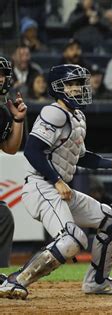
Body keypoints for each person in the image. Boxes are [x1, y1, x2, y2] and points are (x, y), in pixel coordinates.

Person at [0, 64, 112, 299]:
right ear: (58, 88)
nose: (78, 88)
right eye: (71, 84)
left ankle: (97, 281)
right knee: (73, 238)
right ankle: (15, 281)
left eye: (79, 83)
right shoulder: (53, 112)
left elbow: (82, 156)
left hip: (59, 189)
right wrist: (57, 181)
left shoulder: (77, 116)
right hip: (41, 186)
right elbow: (33, 151)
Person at [0, 56, 28, 268]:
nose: (0, 79)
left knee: (3, 217)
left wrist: (18, 120)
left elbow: (10, 148)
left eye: (2, 75)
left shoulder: (2, 112)